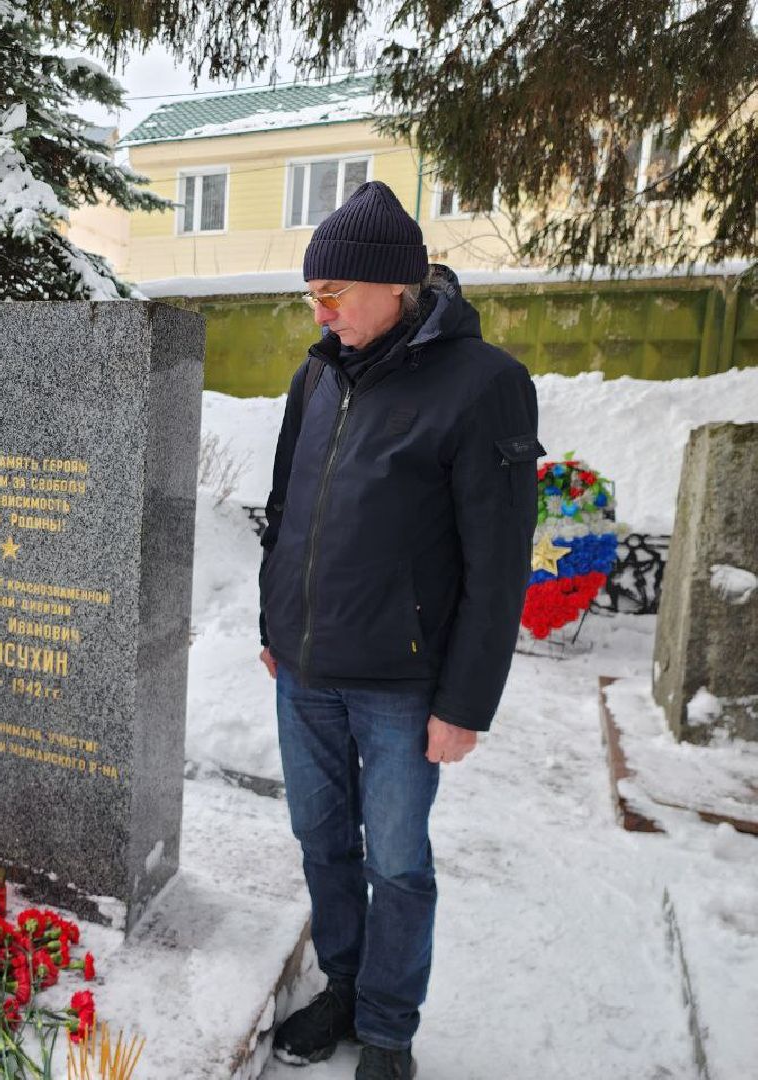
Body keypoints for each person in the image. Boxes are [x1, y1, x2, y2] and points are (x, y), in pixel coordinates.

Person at [258, 181, 542, 1080]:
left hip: (400, 685)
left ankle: (387, 1029)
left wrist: (465, 703)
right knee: (321, 839)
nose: (320, 309)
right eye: (313, 295)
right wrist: (277, 622)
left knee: (401, 863)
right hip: (305, 671)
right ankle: (344, 984)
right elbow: (285, 507)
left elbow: (499, 560)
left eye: (334, 293)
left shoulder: (485, 385)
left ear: (395, 288)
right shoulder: (317, 373)